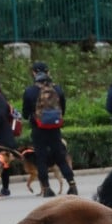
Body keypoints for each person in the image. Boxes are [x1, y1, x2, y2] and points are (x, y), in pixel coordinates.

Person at [21, 61, 78, 197]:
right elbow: (62, 110)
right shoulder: (57, 89)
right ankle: (72, 185)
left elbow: (24, 114)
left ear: (34, 73)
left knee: (41, 158)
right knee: (60, 157)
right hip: (55, 129)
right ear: (48, 73)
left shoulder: (29, 91)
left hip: (38, 129)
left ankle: (46, 188)